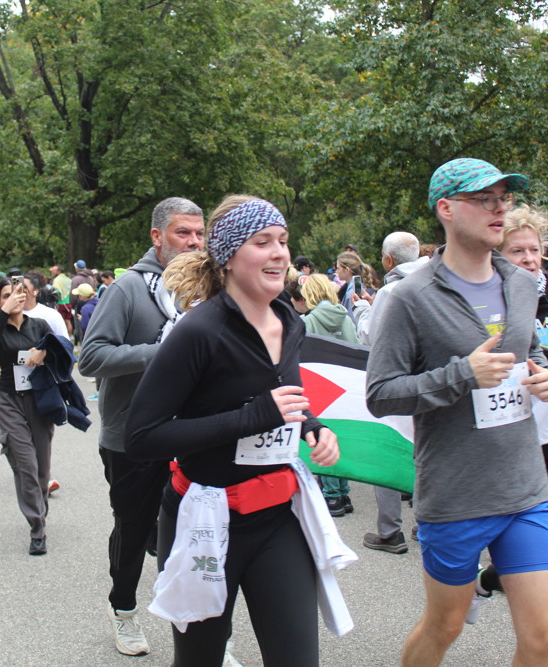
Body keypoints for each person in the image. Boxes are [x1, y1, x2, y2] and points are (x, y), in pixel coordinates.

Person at [125, 195, 346, 666]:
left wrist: (312, 426)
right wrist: (251, 417)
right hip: (204, 521)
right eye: (262, 242)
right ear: (227, 256)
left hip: (277, 518)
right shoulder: (199, 332)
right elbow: (142, 437)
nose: (279, 252)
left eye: (283, 241)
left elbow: (283, 395)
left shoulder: (289, 319)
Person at [366, 158, 548, 665]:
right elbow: (381, 393)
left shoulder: (521, 283)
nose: (499, 209)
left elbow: (527, 351)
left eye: (504, 199)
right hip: (456, 494)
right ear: (447, 209)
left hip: (524, 487)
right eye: (484, 199)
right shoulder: (410, 297)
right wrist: (462, 375)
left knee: (545, 638)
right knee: (444, 627)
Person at [78, 196, 206, 657]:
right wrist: (163, 353)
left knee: (199, 534)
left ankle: (206, 633)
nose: (194, 242)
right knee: (133, 530)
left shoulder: (207, 288)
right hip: (132, 438)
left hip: (193, 435)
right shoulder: (128, 289)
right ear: (157, 236)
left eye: (199, 233)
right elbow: (91, 357)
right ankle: (125, 610)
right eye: (182, 232)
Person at [465, 204, 548, 620]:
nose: (529, 259)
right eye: (517, 251)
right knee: (529, 569)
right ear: (497, 255)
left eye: (534, 250)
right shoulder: (484, 307)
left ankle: (484, 582)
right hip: (499, 448)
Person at [352, 231, 429, 554]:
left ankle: (389, 530)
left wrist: (361, 310)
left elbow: (371, 336)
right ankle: (425, 523)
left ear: (388, 260)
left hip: (396, 382)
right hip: (430, 381)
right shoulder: (435, 281)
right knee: (424, 453)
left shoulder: (390, 291)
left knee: (387, 451)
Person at [0, 280, 57, 555]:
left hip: (39, 400)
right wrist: (3, 314)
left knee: (41, 469)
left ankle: (40, 508)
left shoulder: (38, 325)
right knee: (25, 463)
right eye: (7, 295)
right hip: (9, 401)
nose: (14, 298)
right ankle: (37, 529)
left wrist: (44, 350)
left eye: (18, 293)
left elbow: (60, 349)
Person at [288, 272, 359, 517]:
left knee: (322, 435)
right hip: (345, 383)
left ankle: (332, 495)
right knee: (339, 436)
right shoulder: (345, 317)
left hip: (319, 384)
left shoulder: (307, 322)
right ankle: (343, 492)